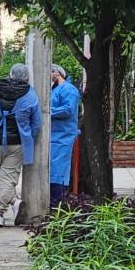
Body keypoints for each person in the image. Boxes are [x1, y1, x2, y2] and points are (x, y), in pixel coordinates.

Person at [0, 64, 41, 227]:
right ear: (26, 77)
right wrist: (28, 138)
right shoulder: (31, 95)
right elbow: (36, 124)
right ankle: (13, 202)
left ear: (10, 74)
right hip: (18, 143)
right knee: (7, 178)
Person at [49, 64, 80, 206]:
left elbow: (68, 110)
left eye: (50, 73)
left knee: (59, 171)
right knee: (53, 170)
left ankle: (58, 203)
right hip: (54, 136)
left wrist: (48, 111)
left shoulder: (68, 89)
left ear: (57, 73)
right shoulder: (53, 90)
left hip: (63, 136)